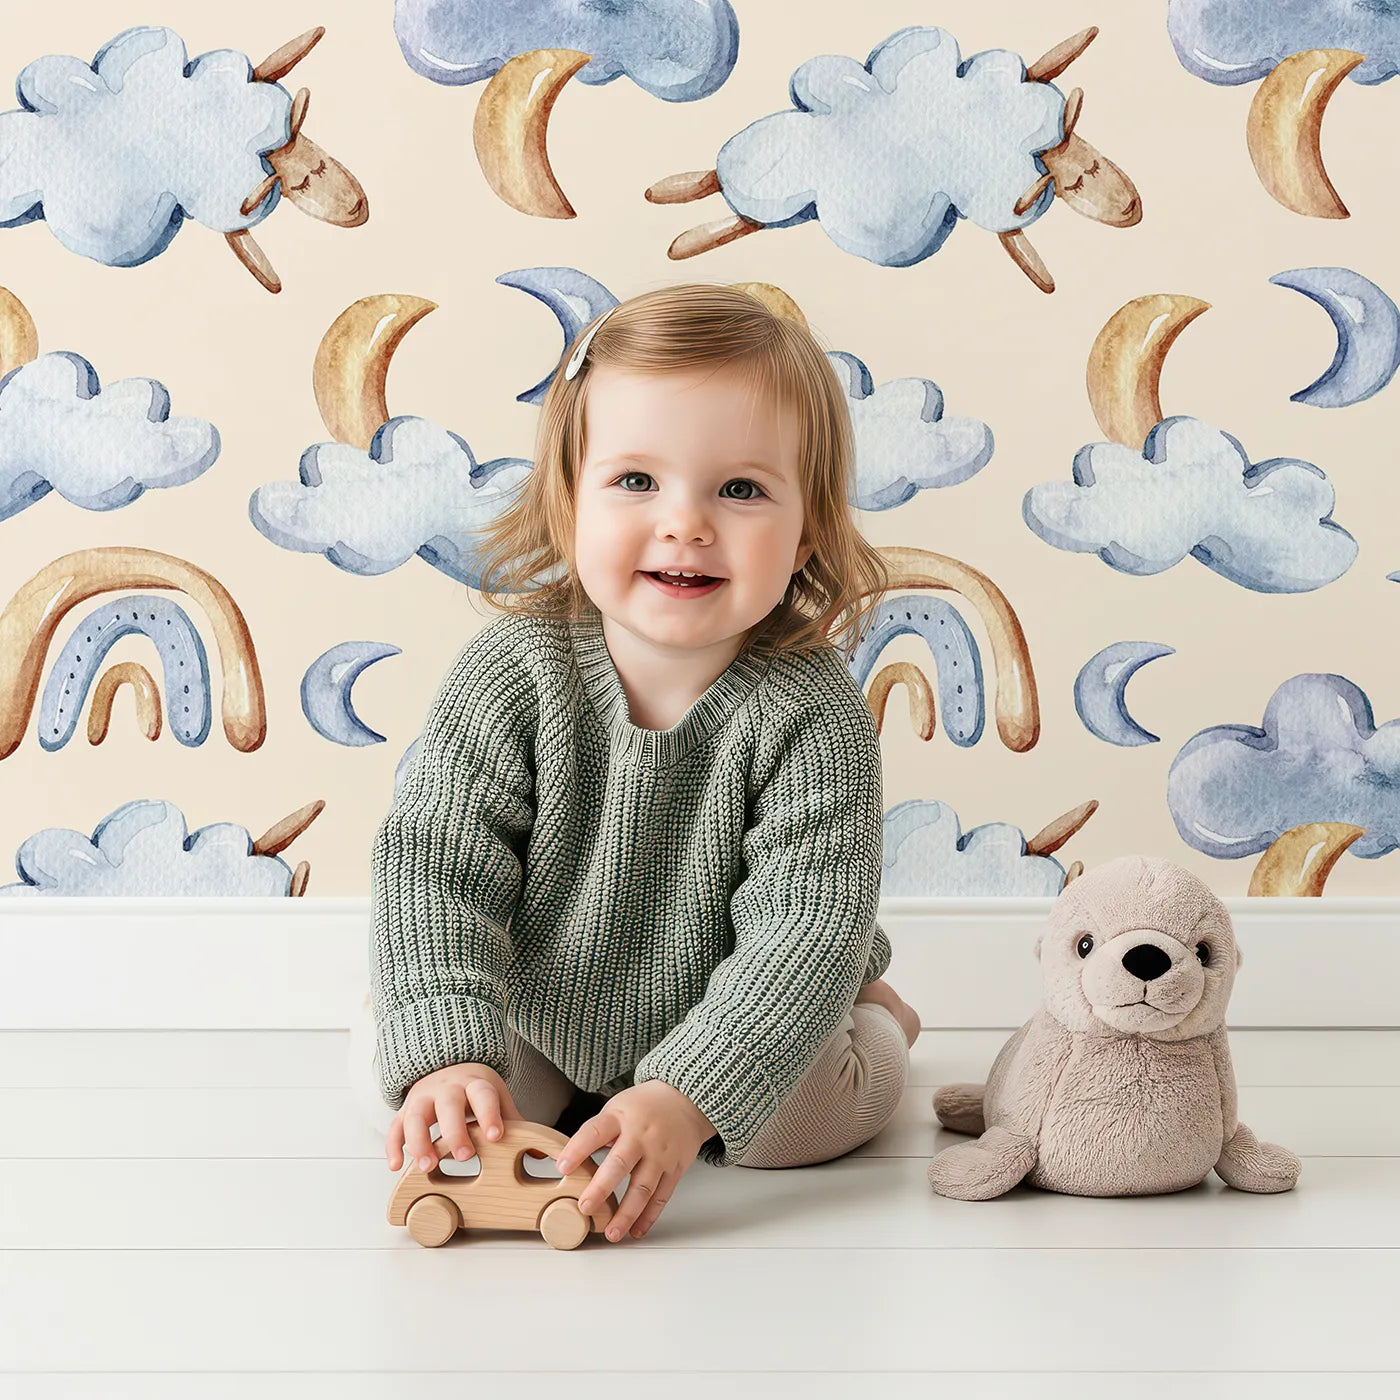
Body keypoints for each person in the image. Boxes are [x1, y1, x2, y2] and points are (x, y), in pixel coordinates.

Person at [353, 281, 921, 1245]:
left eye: (740, 489)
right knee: (415, 1082)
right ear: (568, 494)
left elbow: (806, 923)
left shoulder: (808, 707)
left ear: (809, 526)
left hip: (735, 998)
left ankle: (882, 1025)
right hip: (549, 1001)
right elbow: (435, 871)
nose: (685, 524)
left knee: (802, 1126)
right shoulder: (512, 673)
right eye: (635, 481)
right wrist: (451, 1054)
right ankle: (533, 1074)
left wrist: (687, 1094)